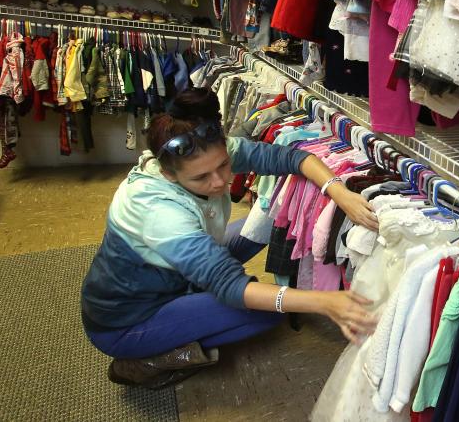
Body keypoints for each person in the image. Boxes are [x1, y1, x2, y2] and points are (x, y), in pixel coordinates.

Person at [80, 88, 379, 389]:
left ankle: (196, 305)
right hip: (128, 320)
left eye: (224, 165)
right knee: (271, 313)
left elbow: (292, 157)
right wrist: (324, 302)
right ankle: (144, 361)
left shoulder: (204, 151)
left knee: (268, 225)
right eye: (201, 178)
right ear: (169, 174)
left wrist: (338, 191)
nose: (220, 181)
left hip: (176, 276)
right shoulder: (159, 212)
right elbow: (229, 284)